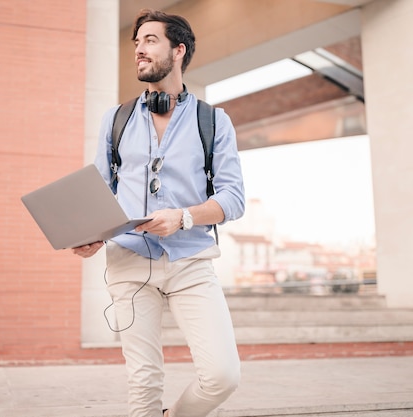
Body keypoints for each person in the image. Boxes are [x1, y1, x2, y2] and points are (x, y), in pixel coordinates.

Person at [73, 9, 245, 417]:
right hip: (129, 260)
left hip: (191, 261)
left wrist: (182, 217)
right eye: (136, 42)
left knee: (222, 375)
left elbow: (233, 199)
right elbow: (101, 191)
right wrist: (90, 234)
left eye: (150, 40)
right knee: (144, 381)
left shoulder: (213, 122)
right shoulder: (115, 119)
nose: (139, 50)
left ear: (178, 50)